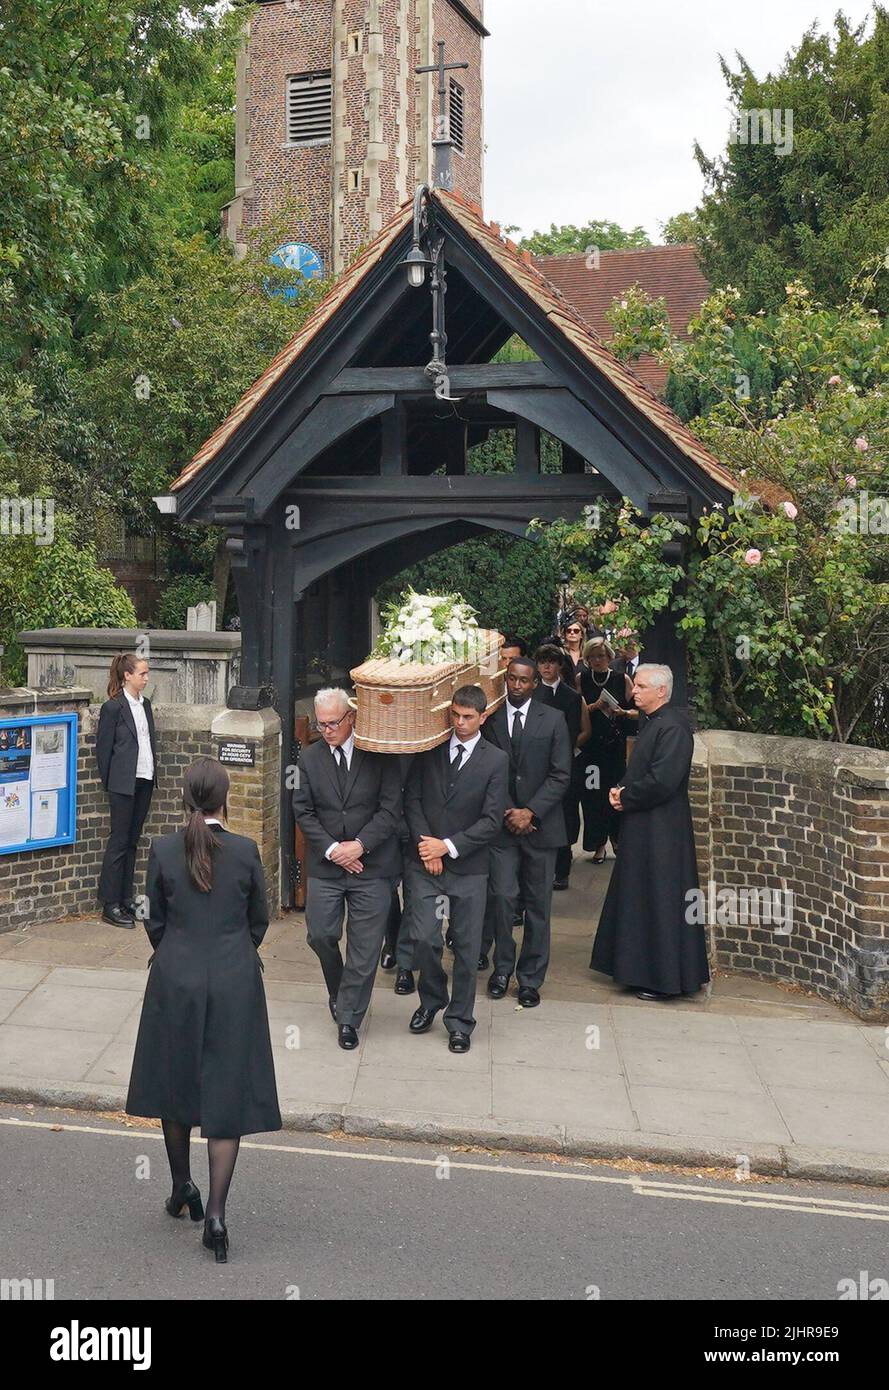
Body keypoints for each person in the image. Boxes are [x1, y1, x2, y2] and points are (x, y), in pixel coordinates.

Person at [125, 757, 281, 1262]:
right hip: (235, 982)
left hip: (176, 979)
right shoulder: (246, 850)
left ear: (186, 796)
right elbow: (260, 917)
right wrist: (235, 949)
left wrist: (173, 951)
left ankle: (181, 1187)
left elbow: (149, 913)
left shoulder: (163, 849)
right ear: (224, 799)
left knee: (177, 1083)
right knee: (226, 1091)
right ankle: (214, 1212)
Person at [590, 664, 709, 1001]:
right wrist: (621, 790)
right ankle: (638, 969)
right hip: (646, 825)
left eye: (641, 686)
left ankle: (662, 977)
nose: (634, 692)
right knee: (640, 895)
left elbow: (663, 780)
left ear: (661, 691)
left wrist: (626, 795)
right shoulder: (655, 723)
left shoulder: (672, 728)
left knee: (660, 898)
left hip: (662, 830)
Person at [291, 688, 402, 1050]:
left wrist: (359, 845)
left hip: (372, 867)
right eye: (321, 725)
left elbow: (390, 810)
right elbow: (303, 811)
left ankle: (349, 1017)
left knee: (364, 947)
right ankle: (339, 988)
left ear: (350, 718)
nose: (326, 730)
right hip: (327, 866)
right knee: (321, 935)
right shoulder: (309, 759)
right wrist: (333, 849)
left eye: (333, 723)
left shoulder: (378, 754)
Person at [402, 685, 508, 1052]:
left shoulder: (496, 760)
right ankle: (431, 999)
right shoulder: (429, 748)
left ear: (482, 717)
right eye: (456, 716)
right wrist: (426, 846)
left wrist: (446, 847)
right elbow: (411, 799)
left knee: (466, 946)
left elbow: (492, 820)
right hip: (424, 862)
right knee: (424, 938)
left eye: (467, 717)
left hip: (470, 867)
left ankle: (460, 1021)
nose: (460, 723)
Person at [482, 657, 572, 1006]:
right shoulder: (490, 721)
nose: (517, 686)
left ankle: (530, 978)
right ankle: (502, 968)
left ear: (534, 683)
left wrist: (531, 811)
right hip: (503, 828)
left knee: (538, 905)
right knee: (502, 899)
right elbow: (487, 769)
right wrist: (510, 812)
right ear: (506, 681)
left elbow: (561, 773)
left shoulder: (553, 720)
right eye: (512, 680)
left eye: (524, 681)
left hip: (542, 827)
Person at [95, 652, 158, 929]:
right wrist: (112, 783)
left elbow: (147, 740)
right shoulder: (113, 708)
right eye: (142, 673)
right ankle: (110, 904)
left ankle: (125, 897)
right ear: (127, 676)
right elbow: (103, 750)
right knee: (118, 842)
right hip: (123, 783)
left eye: (146, 673)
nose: (146, 678)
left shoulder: (145, 705)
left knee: (133, 841)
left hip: (145, 778)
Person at [534, 642, 591, 890]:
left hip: (564, 765)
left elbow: (577, 731)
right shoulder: (531, 694)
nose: (547, 666)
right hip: (535, 766)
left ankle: (562, 869)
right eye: (542, 661)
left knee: (566, 815)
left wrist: (563, 754)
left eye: (552, 661)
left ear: (559, 665)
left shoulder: (571, 696)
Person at [576, 638, 633, 863]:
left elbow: (633, 709)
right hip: (591, 748)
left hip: (614, 746)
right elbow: (577, 710)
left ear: (609, 657)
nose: (597, 661)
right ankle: (598, 844)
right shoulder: (582, 678)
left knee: (616, 794)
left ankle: (618, 841)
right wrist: (594, 707)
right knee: (593, 797)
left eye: (601, 656)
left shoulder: (621, 678)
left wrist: (621, 712)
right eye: (592, 656)